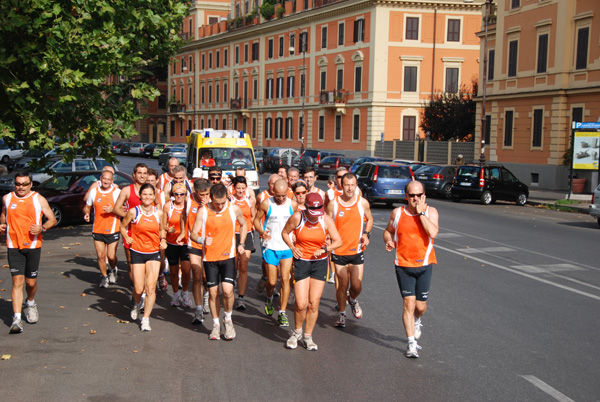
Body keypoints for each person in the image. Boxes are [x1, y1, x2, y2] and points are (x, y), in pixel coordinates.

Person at [383, 180, 439, 358]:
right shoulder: (397, 213)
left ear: (424, 196)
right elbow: (388, 231)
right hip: (403, 265)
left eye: (419, 195)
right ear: (406, 196)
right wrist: (388, 240)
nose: (415, 198)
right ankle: (411, 343)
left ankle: (418, 321)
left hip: (424, 264)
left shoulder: (431, 212)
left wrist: (421, 213)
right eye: (412, 195)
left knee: (420, 307)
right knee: (408, 304)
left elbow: (433, 232)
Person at [282, 193, 342, 351]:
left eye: (318, 210)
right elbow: (284, 233)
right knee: (301, 304)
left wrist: (324, 249)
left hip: (319, 264)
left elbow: (338, 241)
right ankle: (297, 332)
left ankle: (308, 336)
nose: (315, 215)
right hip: (302, 262)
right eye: (312, 211)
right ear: (306, 207)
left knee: (313, 304)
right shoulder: (297, 217)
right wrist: (293, 247)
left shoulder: (326, 219)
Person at [0, 172, 57, 334]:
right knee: (17, 282)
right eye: (18, 184)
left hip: (33, 245)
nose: (21, 187)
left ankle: (30, 302)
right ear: (14, 184)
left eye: (24, 184)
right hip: (13, 245)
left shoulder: (38, 199)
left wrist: (42, 228)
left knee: (30, 283)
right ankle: (17, 318)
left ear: (31, 184)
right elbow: (4, 216)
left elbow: (52, 219)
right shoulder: (7, 198)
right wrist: (2, 225)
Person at [190, 183, 247, 340]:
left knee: (228, 291)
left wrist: (241, 243)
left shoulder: (233, 208)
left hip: (228, 256)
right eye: (217, 203)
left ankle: (227, 319)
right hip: (210, 258)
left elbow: (244, 224)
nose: (220, 206)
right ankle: (215, 325)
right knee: (214, 293)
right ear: (211, 198)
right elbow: (193, 234)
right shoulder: (204, 211)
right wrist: (202, 239)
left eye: (223, 202)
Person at [327, 173, 373, 328]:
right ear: (342, 185)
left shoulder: (363, 203)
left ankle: (352, 300)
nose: (350, 188)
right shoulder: (334, 204)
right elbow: (326, 223)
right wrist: (327, 237)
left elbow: (370, 219)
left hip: (356, 251)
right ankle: (342, 314)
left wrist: (366, 234)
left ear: (356, 185)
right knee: (342, 285)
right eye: (347, 185)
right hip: (339, 252)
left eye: (353, 185)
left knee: (357, 286)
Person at [121, 183, 167, 331]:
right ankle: (136, 302)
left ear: (154, 197)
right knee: (139, 288)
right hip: (137, 252)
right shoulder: (133, 212)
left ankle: (146, 319)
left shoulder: (159, 213)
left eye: (150, 194)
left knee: (151, 288)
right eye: (145, 194)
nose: (147, 197)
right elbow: (122, 226)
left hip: (153, 252)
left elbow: (162, 229)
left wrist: (163, 240)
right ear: (140, 196)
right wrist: (126, 237)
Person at [254, 179, 298, 327]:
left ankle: (282, 313)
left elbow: (298, 222)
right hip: (270, 246)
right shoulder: (267, 203)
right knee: (272, 282)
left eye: (283, 196)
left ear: (287, 192)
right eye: (278, 195)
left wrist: (296, 238)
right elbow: (256, 220)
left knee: (285, 280)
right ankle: (269, 297)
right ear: (273, 192)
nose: (280, 198)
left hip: (286, 248)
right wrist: (261, 232)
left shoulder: (292, 204)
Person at [177, 178, 211, 324]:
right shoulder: (188, 200)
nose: (204, 197)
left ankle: (206, 296)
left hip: (209, 243)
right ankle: (198, 310)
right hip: (193, 242)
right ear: (195, 191)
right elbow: (183, 216)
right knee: (196, 275)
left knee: (206, 277)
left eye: (207, 194)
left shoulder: (213, 200)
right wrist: (182, 233)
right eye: (201, 194)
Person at [83, 170, 121, 287]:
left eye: (109, 179)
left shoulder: (117, 192)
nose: (106, 181)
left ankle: (113, 269)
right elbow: (87, 206)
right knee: (100, 255)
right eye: (104, 179)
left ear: (112, 181)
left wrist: (113, 210)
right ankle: (104, 277)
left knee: (110, 256)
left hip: (113, 228)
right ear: (100, 179)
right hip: (97, 228)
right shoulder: (94, 192)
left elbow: (124, 209)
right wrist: (87, 213)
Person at [113, 163, 148, 288]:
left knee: (147, 264)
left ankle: (144, 289)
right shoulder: (127, 190)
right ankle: (135, 290)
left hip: (148, 232)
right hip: (130, 232)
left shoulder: (151, 190)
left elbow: (159, 210)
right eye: (139, 173)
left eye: (144, 173)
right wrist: (129, 216)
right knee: (131, 262)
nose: (142, 176)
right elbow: (116, 208)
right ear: (134, 175)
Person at [163, 183, 193, 309]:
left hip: (186, 243)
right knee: (173, 271)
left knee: (186, 270)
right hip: (172, 242)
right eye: (176, 194)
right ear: (172, 195)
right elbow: (163, 224)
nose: (179, 196)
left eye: (182, 194)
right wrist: (167, 228)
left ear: (185, 195)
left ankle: (185, 292)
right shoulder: (168, 206)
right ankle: (175, 294)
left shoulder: (188, 207)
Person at [229, 176, 256, 311]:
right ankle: (231, 289)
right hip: (232, 234)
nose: (240, 191)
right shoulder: (229, 200)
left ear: (246, 189)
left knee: (243, 266)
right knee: (233, 266)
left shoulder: (250, 200)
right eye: (238, 188)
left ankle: (241, 298)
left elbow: (254, 216)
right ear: (234, 188)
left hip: (247, 234)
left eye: (243, 188)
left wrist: (261, 229)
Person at [255, 173, 280, 293]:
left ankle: (271, 281)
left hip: (280, 235)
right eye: (272, 184)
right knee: (267, 261)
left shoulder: (285, 196)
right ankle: (267, 278)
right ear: (268, 184)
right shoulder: (261, 196)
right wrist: (261, 230)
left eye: (276, 184)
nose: (274, 186)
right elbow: (256, 214)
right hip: (266, 235)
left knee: (278, 263)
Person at [146, 168, 168, 291]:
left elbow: (169, 210)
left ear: (157, 181)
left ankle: (161, 274)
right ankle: (150, 282)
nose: (150, 182)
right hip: (147, 229)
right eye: (148, 180)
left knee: (161, 257)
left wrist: (167, 225)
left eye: (152, 180)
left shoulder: (163, 194)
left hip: (160, 229)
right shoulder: (143, 194)